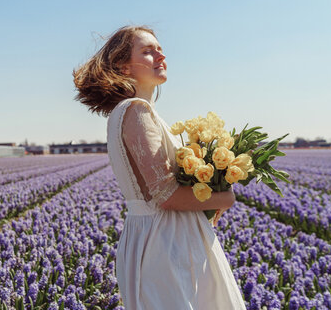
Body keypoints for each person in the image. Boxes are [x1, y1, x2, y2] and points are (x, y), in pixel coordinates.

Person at [73, 25, 246, 309]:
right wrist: (225, 198)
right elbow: (166, 196)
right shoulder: (137, 110)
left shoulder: (124, 112)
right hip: (166, 242)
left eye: (160, 49)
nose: (160, 55)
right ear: (123, 67)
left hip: (149, 235)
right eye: (147, 50)